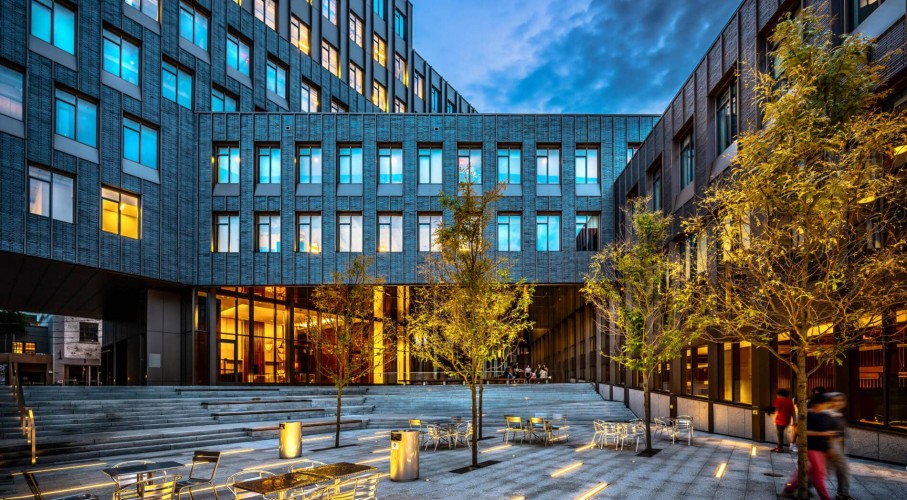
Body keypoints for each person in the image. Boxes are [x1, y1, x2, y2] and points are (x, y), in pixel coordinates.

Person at [782, 393, 837, 500]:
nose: (826, 406)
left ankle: (789, 488)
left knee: (806, 471)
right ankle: (825, 497)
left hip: (821, 449)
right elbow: (802, 431)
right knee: (819, 475)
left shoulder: (824, 415)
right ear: (818, 404)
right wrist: (824, 434)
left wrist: (829, 446)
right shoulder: (808, 415)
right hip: (813, 448)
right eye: (825, 404)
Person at [823, 392, 852, 500]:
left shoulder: (838, 413)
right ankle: (842, 494)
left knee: (832, 471)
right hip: (832, 445)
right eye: (835, 400)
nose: (838, 403)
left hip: (838, 446)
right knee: (841, 470)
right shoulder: (828, 414)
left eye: (840, 400)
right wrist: (829, 447)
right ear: (830, 402)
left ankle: (842, 494)